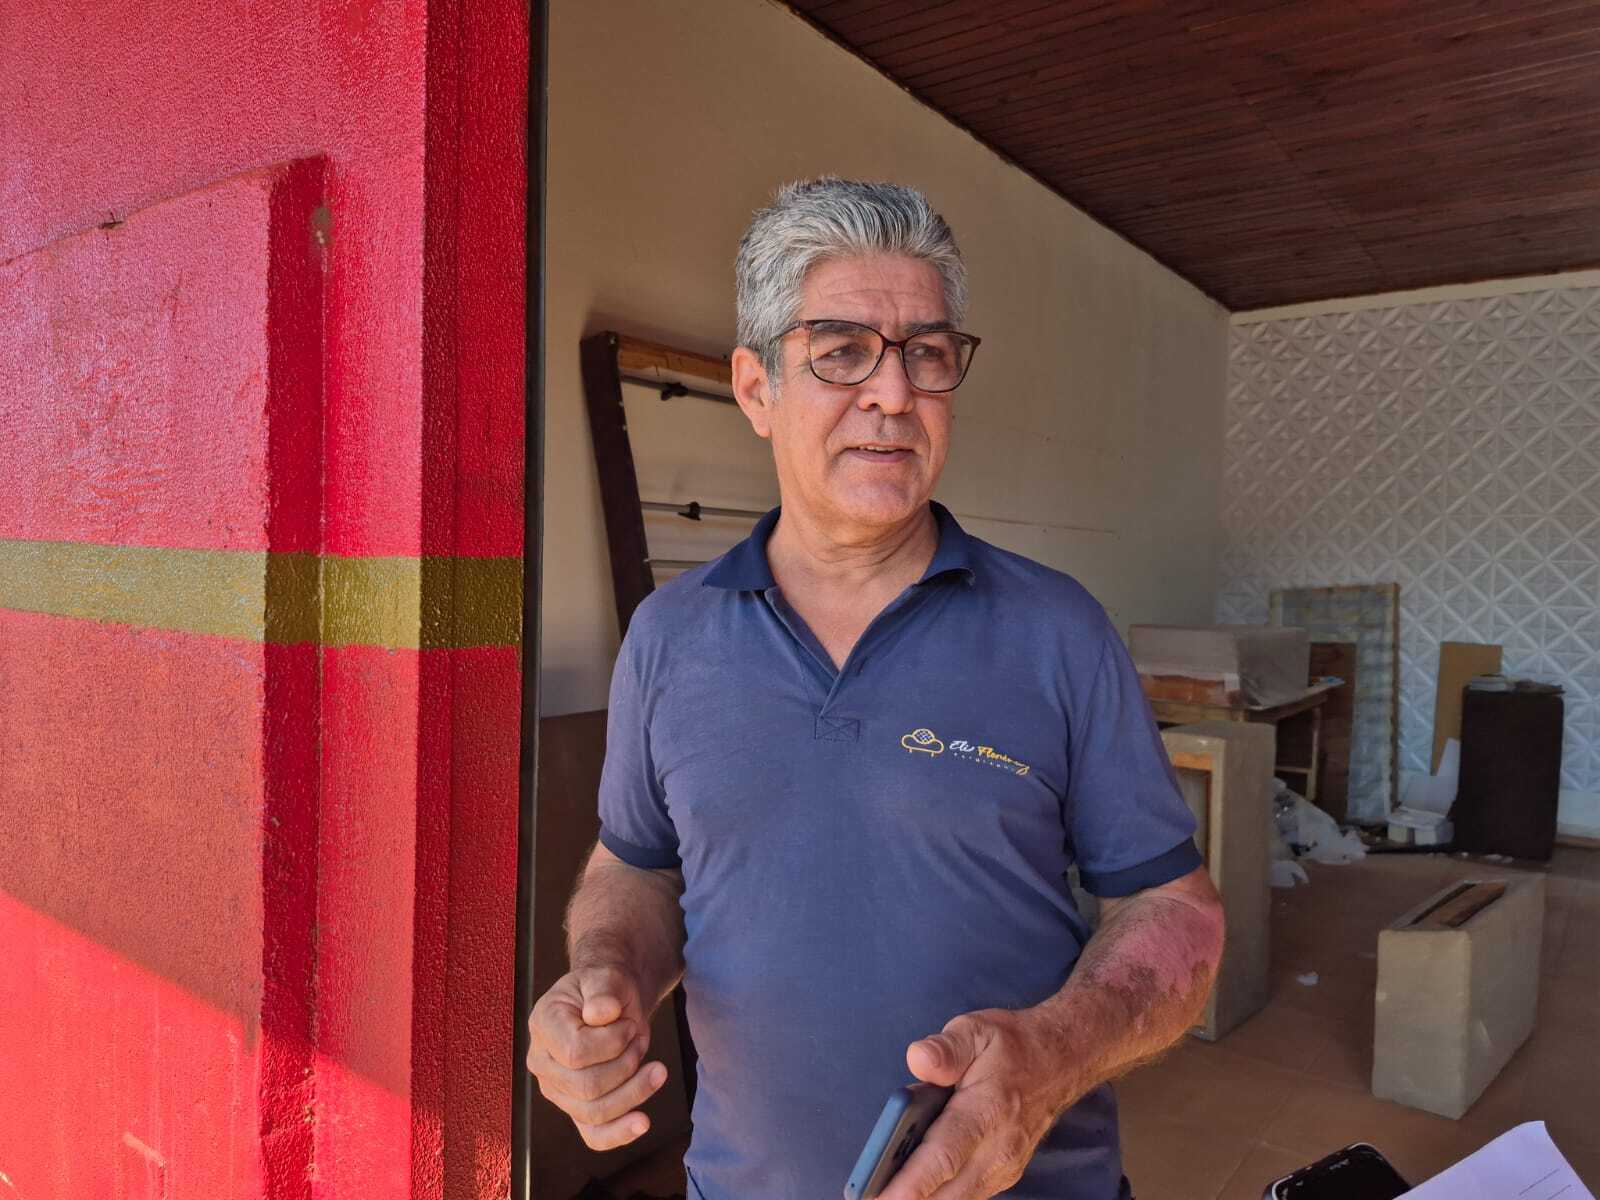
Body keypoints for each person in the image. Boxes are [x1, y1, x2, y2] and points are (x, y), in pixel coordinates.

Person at [527, 177, 1225, 1200]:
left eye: (926, 354)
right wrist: (606, 978)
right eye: (842, 349)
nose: (894, 395)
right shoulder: (668, 638)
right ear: (756, 389)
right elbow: (637, 867)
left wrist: (1053, 1059)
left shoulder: (1056, 630)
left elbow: (1177, 913)